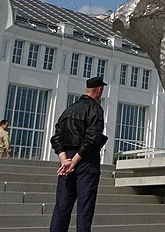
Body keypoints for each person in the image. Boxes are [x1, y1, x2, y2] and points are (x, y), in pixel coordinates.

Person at [49, 76, 108, 232]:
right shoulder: (95, 109)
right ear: (99, 90)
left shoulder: (68, 110)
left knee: (61, 207)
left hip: (66, 160)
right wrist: (74, 161)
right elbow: (91, 138)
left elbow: (56, 137)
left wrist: (64, 160)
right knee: (84, 210)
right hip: (85, 160)